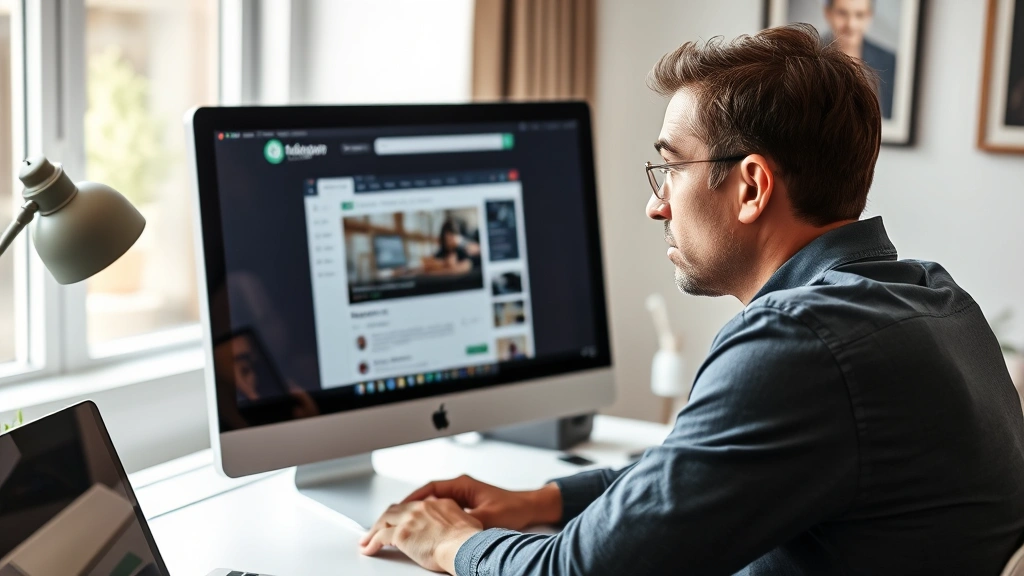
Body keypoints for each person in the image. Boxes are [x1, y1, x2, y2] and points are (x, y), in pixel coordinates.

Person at [358, 24, 1024, 575]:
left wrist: (449, 542)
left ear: (752, 186)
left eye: (671, 168)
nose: (656, 206)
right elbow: (700, 467)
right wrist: (543, 500)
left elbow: (577, 573)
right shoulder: (937, 299)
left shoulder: (801, 341)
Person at [822, 0, 896, 119]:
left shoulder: (889, 61)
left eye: (859, 15)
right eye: (842, 13)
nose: (851, 24)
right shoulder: (808, 57)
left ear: (869, 16)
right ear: (828, 13)